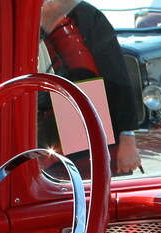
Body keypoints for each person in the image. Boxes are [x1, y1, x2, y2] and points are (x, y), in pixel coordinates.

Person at [40, 0, 140, 175]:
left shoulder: (85, 15)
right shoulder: (22, 20)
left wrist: (127, 138)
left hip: (90, 133)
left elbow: (116, 76)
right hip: (50, 137)